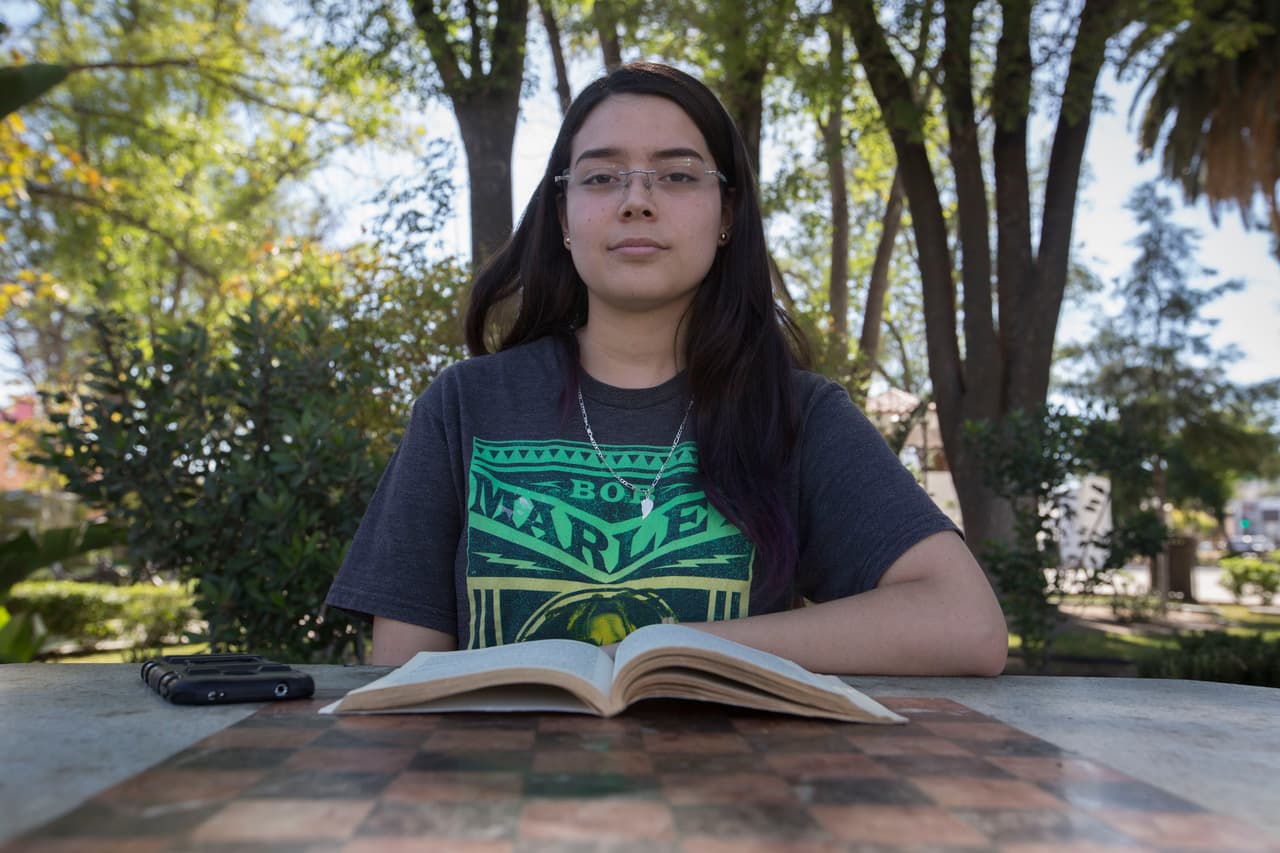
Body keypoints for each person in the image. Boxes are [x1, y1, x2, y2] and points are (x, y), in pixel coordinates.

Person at [325, 61, 1008, 676]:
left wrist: (690, 648)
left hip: (727, 805)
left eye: (678, 175)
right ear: (564, 218)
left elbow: (968, 624)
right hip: (498, 808)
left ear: (726, 215)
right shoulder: (463, 406)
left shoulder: (799, 417)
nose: (636, 199)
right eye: (600, 176)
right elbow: (401, 684)